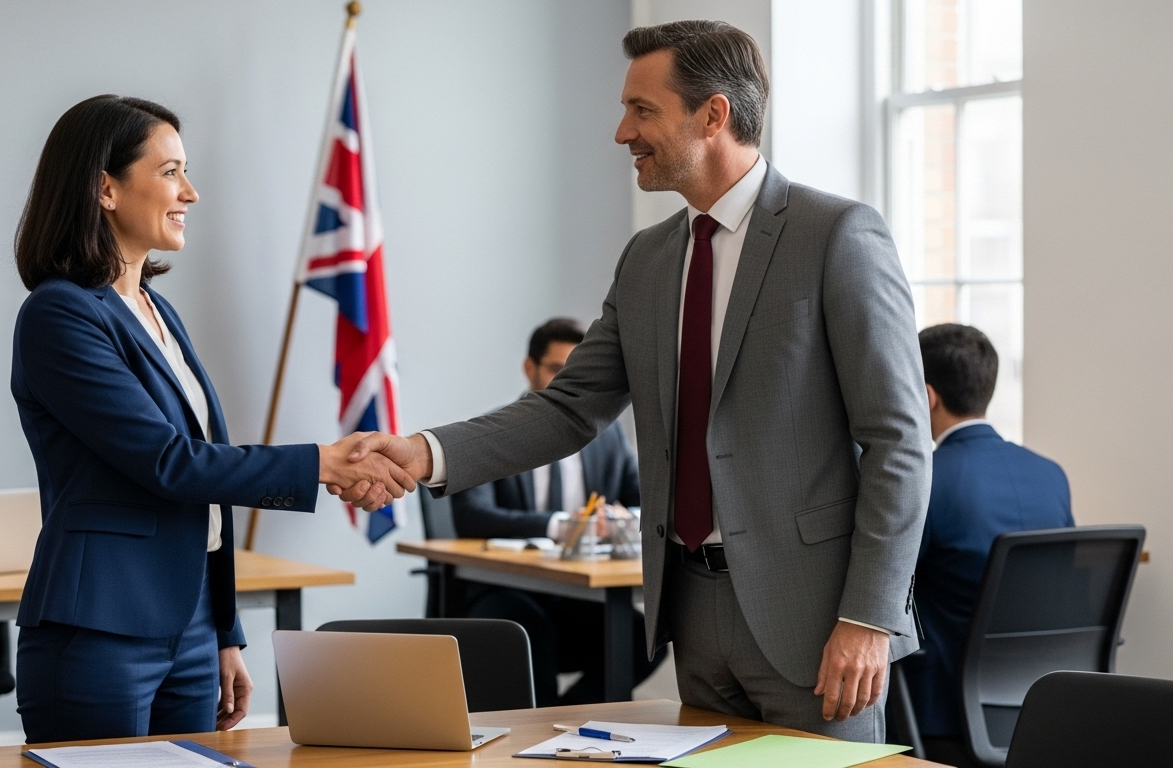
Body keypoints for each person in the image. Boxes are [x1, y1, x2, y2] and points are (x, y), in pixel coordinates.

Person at [336, 21, 929, 741]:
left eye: (642, 110)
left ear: (713, 114)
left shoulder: (837, 235)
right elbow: (567, 408)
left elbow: (899, 442)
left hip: (817, 620)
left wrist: (868, 618)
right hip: (690, 610)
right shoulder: (648, 258)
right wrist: (424, 452)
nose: (623, 132)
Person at [10, 95, 413, 742]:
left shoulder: (158, 312)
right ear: (105, 189)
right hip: (101, 631)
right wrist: (322, 464)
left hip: (192, 627)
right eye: (170, 172)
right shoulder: (60, 316)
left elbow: (207, 501)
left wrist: (223, 630)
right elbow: (169, 463)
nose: (190, 192)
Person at [451, 317, 657, 705]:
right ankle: (541, 729)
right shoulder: (497, 430)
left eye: (575, 372)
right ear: (530, 369)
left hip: (574, 591)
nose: (566, 382)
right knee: (531, 630)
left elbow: (644, 501)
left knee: (647, 634)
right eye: (556, 370)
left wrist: (622, 519)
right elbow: (472, 518)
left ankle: (563, 720)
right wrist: (564, 526)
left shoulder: (607, 435)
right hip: (505, 588)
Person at [901, 324, 1073, 764]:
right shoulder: (1050, 475)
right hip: (1042, 708)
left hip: (943, 714)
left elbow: (891, 587)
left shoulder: (926, 482)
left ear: (926, 394)